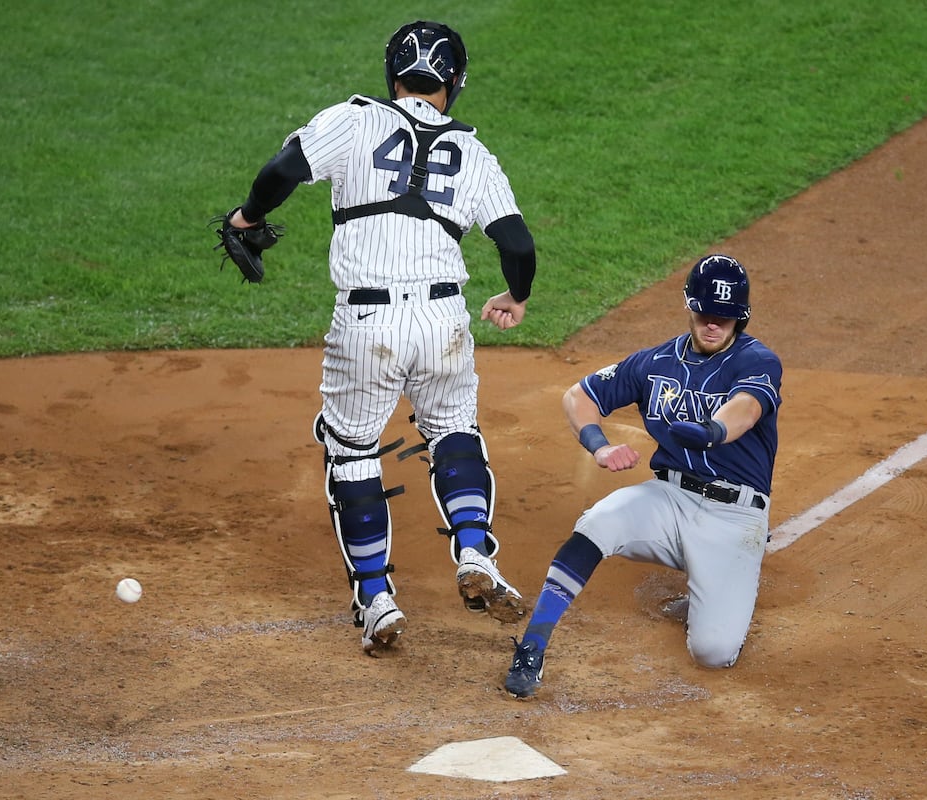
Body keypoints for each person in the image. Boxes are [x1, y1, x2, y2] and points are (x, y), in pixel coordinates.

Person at [221, 21, 537, 656]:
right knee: (454, 433)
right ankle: (474, 551)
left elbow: (281, 169)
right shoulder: (474, 153)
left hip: (367, 325)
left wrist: (248, 216)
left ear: (391, 74)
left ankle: (376, 598)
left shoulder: (354, 119)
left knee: (354, 450)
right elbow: (518, 247)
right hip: (443, 320)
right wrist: (515, 297)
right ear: (455, 83)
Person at [503, 254, 781, 698]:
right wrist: (600, 445)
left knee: (712, 652)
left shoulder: (757, 361)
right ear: (690, 308)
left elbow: (745, 409)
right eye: (706, 314)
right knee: (596, 523)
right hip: (669, 501)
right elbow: (578, 397)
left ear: (739, 320)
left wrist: (712, 431)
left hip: (734, 518)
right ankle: (532, 646)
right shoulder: (656, 363)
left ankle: (711, 590)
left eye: (725, 318)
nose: (714, 325)